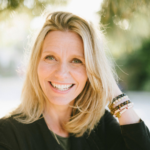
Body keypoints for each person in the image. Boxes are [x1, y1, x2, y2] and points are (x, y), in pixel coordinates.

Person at [0, 11, 150, 150]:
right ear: (36, 64)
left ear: (92, 69)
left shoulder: (100, 124)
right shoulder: (7, 133)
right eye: (50, 57)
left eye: (76, 60)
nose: (61, 73)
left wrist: (113, 92)